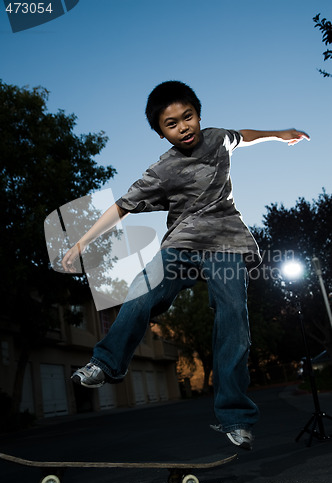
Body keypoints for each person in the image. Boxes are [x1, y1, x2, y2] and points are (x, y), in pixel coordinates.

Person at [62, 81, 309, 450]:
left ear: (198, 113)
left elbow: (245, 136)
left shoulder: (218, 137)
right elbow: (122, 207)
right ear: (161, 133)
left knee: (233, 319)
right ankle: (106, 363)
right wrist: (82, 240)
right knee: (143, 289)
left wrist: (280, 133)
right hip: (182, 244)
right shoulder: (162, 170)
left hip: (227, 244)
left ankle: (236, 417)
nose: (184, 127)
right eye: (172, 124)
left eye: (188, 117)